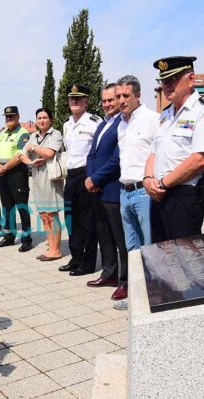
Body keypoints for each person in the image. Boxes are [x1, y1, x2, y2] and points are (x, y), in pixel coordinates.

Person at [144, 56, 204, 242]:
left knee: (186, 260)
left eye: (172, 79)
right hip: (159, 194)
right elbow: (153, 153)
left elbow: (200, 158)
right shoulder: (165, 114)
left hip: (184, 196)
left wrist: (163, 183)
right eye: (164, 81)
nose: (167, 85)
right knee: (161, 255)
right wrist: (148, 179)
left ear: (191, 79)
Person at [115, 75, 159, 310]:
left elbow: (159, 154)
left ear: (137, 96)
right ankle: (136, 297)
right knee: (132, 249)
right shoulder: (121, 123)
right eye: (118, 96)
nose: (121, 100)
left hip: (144, 193)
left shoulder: (153, 119)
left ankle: (154, 297)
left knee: (150, 247)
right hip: (125, 192)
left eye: (126, 96)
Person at [85, 83, 128, 301]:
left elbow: (116, 159)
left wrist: (96, 178)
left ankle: (124, 281)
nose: (107, 104)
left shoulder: (123, 123)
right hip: (97, 189)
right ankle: (109, 273)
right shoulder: (103, 124)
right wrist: (90, 177)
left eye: (110, 100)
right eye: (104, 101)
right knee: (104, 235)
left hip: (112, 188)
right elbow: (91, 154)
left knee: (120, 238)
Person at [59, 84, 102, 276]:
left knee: (88, 221)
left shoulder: (95, 122)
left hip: (87, 175)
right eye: (71, 99)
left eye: (78, 98)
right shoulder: (67, 124)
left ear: (86, 101)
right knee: (71, 219)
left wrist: (94, 177)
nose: (74, 102)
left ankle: (88, 262)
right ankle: (76, 257)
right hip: (71, 176)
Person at [17, 108, 64, 260]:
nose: (42, 120)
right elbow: (21, 154)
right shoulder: (33, 136)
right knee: (43, 215)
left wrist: (34, 148)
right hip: (37, 178)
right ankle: (50, 247)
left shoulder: (55, 134)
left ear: (51, 120)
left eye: (45, 117)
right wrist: (30, 161)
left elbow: (49, 153)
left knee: (51, 214)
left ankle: (56, 250)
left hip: (50, 178)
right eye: (39, 118)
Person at [0, 106, 32, 252]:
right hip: (2, 174)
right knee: (7, 207)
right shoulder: (2, 133)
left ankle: (27, 239)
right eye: (7, 116)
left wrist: (4, 167)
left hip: (17, 174)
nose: (9, 118)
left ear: (18, 117)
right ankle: (9, 237)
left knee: (22, 207)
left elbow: (20, 155)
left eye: (12, 116)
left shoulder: (23, 133)